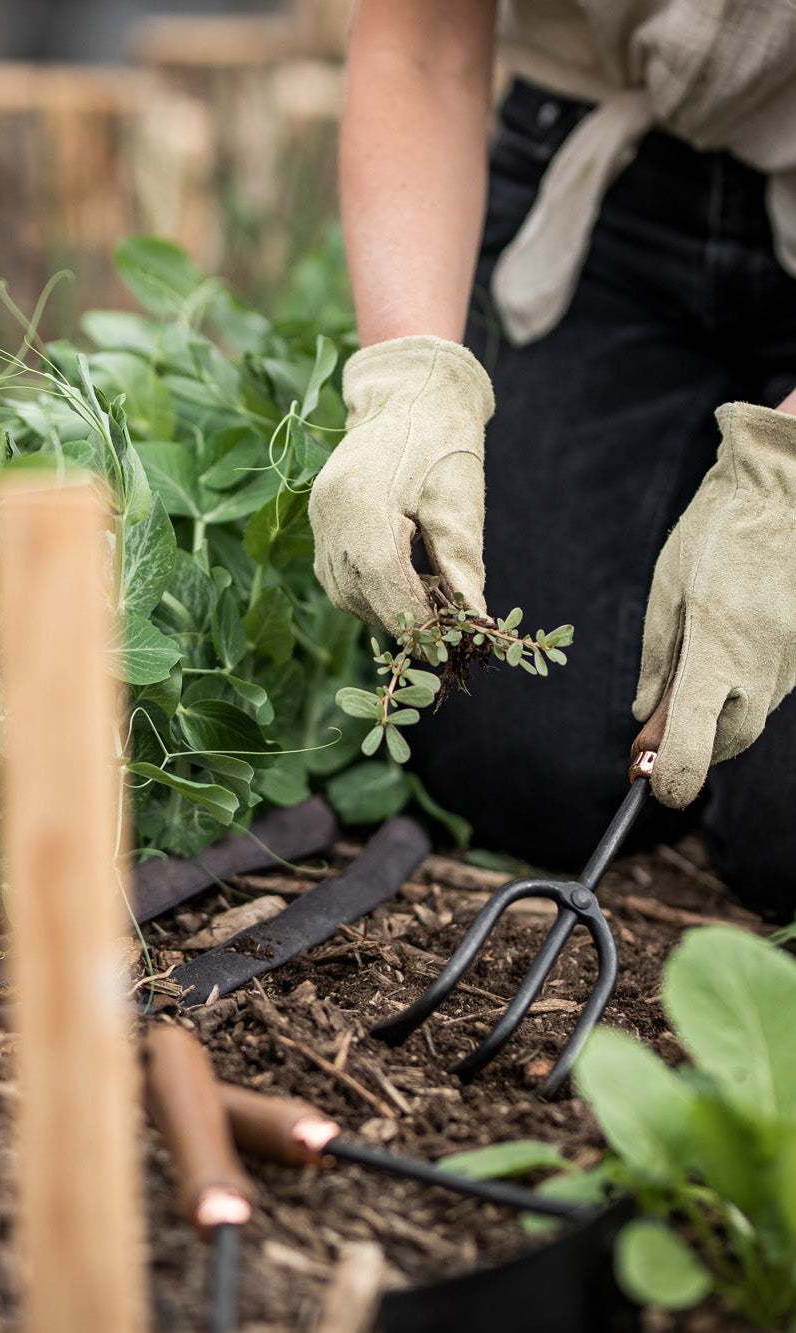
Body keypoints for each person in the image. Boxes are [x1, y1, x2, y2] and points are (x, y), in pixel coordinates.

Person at [309, 0, 796, 917]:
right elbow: (419, 45)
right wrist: (410, 374)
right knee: (513, 774)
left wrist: (783, 484)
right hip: (601, 173)